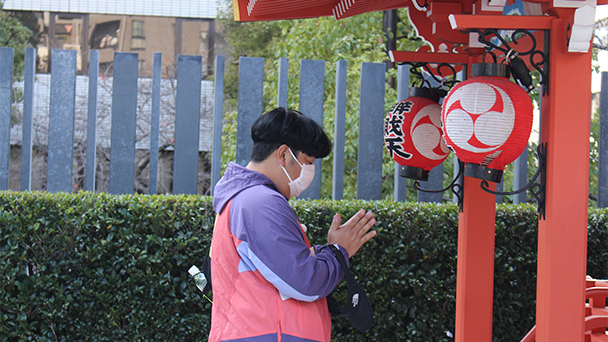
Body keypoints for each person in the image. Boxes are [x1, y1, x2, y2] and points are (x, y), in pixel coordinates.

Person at [208, 107, 377, 342]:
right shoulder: (261, 202)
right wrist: (339, 252)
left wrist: (330, 251)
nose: (309, 172)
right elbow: (303, 281)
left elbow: (285, 267)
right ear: (284, 155)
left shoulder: (245, 198)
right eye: (307, 162)